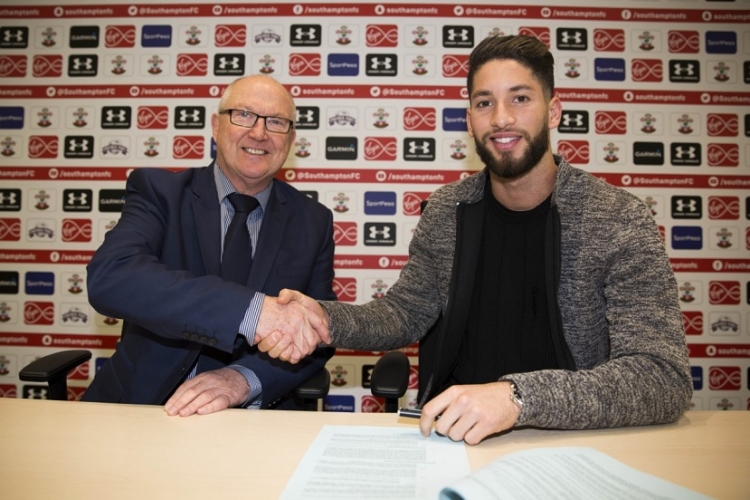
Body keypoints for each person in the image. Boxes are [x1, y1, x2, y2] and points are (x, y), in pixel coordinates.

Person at [260, 35, 692, 444]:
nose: (501, 118)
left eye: (520, 99)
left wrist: (516, 398)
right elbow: (404, 314)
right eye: (485, 103)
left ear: (554, 111)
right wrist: (325, 319)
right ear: (469, 121)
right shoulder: (447, 209)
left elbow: (662, 377)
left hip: (568, 441)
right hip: (447, 436)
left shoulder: (618, 218)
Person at [83, 75, 335, 416]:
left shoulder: (313, 221)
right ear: (216, 126)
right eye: (244, 115)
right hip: (143, 405)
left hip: (253, 418)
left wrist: (243, 379)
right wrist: (251, 311)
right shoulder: (159, 192)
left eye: (276, 122)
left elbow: (317, 334)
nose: (259, 133)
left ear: (290, 140)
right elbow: (112, 277)